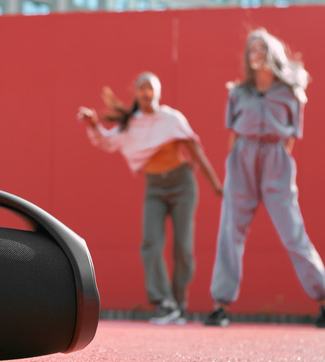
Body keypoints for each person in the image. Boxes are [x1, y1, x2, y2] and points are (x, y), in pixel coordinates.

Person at [204, 28, 325, 328]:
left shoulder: (291, 92)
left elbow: (292, 137)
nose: (257, 54)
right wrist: (233, 167)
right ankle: (220, 305)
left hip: (276, 160)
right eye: (252, 49)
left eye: (263, 48)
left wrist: (276, 159)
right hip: (242, 159)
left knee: (293, 231)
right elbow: (233, 134)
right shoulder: (238, 93)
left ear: (274, 53)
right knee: (230, 231)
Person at [78, 72, 223, 325]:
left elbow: (195, 153)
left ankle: (179, 303)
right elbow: (107, 141)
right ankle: (165, 302)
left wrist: (217, 186)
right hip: (155, 187)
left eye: (151, 88)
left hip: (182, 184)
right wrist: (92, 125)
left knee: (183, 248)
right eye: (141, 88)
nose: (146, 93)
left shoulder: (171, 119)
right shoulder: (131, 125)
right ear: (136, 93)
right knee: (151, 243)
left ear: (158, 92)